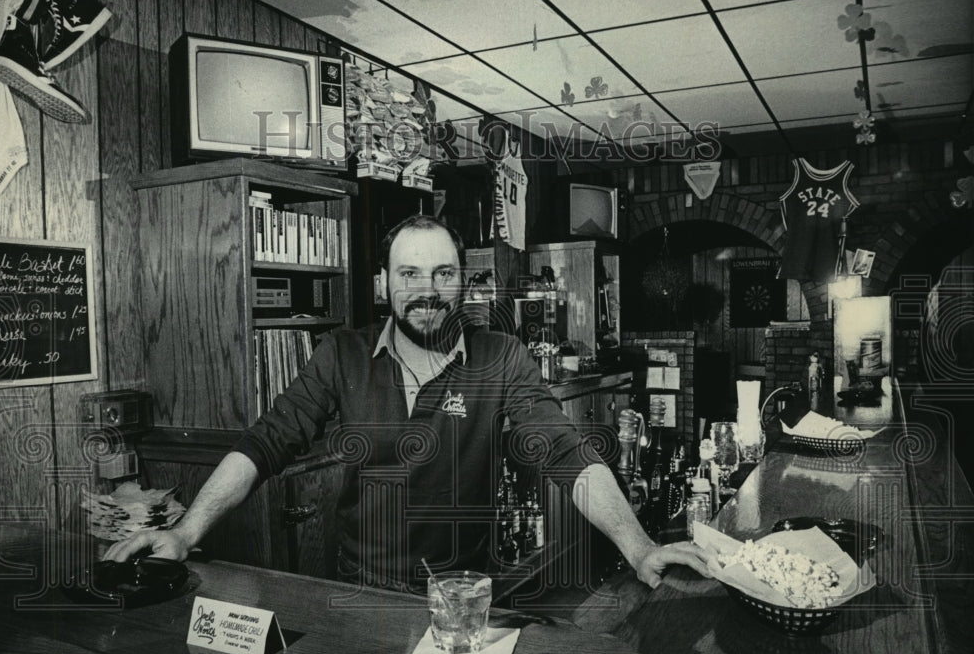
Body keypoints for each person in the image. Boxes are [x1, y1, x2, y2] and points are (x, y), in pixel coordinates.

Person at [105, 215, 708, 591]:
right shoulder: (342, 355)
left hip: (466, 589)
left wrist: (638, 546)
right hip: (359, 586)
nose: (428, 291)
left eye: (444, 274)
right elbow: (266, 443)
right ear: (384, 285)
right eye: (410, 274)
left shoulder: (500, 356)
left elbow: (564, 454)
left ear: (463, 284)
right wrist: (185, 534)